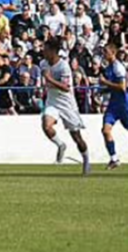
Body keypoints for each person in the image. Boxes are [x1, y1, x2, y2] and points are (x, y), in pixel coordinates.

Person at [40, 38, 89, 174]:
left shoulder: (63, 66)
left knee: (77, 138)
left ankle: (86, 160)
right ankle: (61, 145)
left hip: (67, 103)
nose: (43, 51)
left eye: (46, 49)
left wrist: (49, 79)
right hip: (52, 101)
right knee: (46, 125)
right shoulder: (43, 63)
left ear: (53, 51)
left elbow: (66, 88)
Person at [98, 42, 127, 169]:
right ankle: (114, 159)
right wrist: (102, 90)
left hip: (124, 105)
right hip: (113, 105)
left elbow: (122, 87)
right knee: (105, 130)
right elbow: (113, 87)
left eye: (106, 52)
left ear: (113, 53)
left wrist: (105, 82)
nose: (104, 54)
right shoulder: (108, 67)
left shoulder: (118, 67)